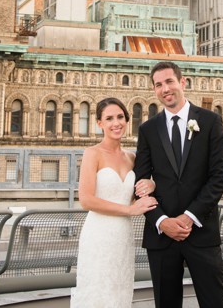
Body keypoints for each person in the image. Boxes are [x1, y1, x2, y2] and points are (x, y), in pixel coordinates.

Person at [135, 61, 223, 308]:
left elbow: (219, 176)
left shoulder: (210, 121)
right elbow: (140, 183)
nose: (165, 89)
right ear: (154, 90)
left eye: (169, 81)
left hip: (200, 231)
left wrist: (189, 217)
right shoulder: (147, 129)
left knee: (216, 303)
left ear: (182, 82)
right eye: (158, 84)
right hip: (162, 236)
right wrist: (161, 221)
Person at [72, 98, 158, 308]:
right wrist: (129, 210)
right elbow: (86, 199)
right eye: (109, 118)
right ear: (99, 123)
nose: (116, 123)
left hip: (123, 236)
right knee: (97, 291)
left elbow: (133, 194)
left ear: (127, 120)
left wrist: (151, 185)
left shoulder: (132, 158)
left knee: (120, 290)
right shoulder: (92, 153)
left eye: (120, 117)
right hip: (98, 234)